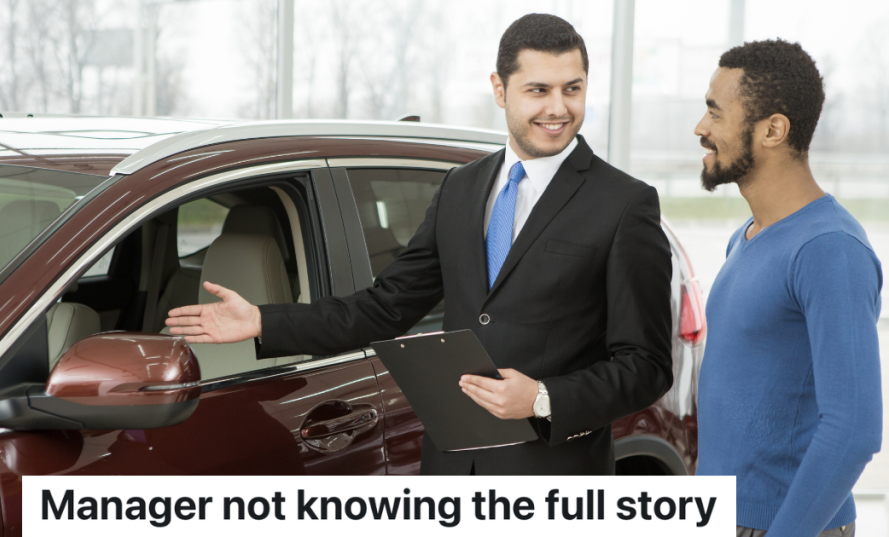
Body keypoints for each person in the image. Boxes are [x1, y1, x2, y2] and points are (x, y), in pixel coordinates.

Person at [167, 13, 674, 475]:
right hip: (450, 473)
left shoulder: (624, 204)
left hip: (554, 476)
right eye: (538, 90)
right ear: (500, 89)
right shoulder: (461, 188)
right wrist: (263, 320)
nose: (558, 108)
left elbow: (647, 366)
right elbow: (384, 308)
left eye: (573, 89)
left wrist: (544, 397)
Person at [694, 39, 883, 537]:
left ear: (773, 130)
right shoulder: (749, 235)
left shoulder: (830, 249)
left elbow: (855, 429)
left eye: (715, 113)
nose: (701, 128)